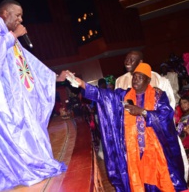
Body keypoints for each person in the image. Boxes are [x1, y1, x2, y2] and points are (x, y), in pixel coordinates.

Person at [0, 0, 68, 192]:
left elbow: (29, 65)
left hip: (17, 99)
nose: (21, 19)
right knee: (12, 134)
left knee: (29, 132)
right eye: (17, 15)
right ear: (4, 14)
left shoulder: (10, 38)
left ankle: (30, 166)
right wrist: (14, 35)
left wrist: (56, 78)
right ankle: (17, 170)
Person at [72, 63, 188, 191]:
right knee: (138, 181)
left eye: (140, 77)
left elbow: (165, 116)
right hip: (133, 153)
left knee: (157, 183)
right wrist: (82, 84)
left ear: (148, 80)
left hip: (155, 153)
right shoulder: (124, 96)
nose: (135, 79)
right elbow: (103, 95)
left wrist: (142, 112)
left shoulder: (159, 96)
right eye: (134, 77)